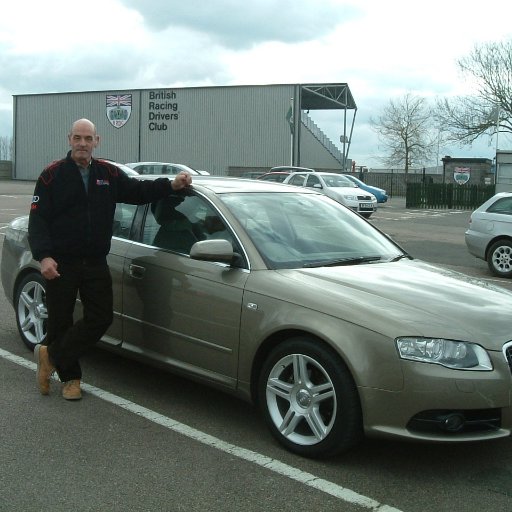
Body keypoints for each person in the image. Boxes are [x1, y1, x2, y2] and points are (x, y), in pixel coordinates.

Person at [28, 118, 192, 400]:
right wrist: (44, 257)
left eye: (88, 138)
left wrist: (172, 185)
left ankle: (49, 355)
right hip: (61, 263)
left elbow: (139, 192)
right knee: (60, 322)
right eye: (77, 138)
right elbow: (38, 220)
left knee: (101, 318)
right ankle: (71, 379)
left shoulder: (108, 173)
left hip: (94, 262)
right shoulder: (51, 175)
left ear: (97, 141)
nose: (82, 143)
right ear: (69, 139)